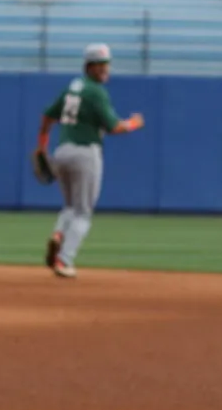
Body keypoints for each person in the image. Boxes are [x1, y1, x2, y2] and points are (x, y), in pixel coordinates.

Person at [32, 43, 145, 279]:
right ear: (89, 67)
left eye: (106, 64)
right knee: (83, 213)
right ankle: (64, 260)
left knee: (71, 207)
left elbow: (47, 115)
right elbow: (114, 127)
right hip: (85, 153)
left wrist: (42, 144)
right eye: (100, 65)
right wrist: (134, 123)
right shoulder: (95, 92)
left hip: (62, 152)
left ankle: (58, 235)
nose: (104, 69)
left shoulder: (73, 87)